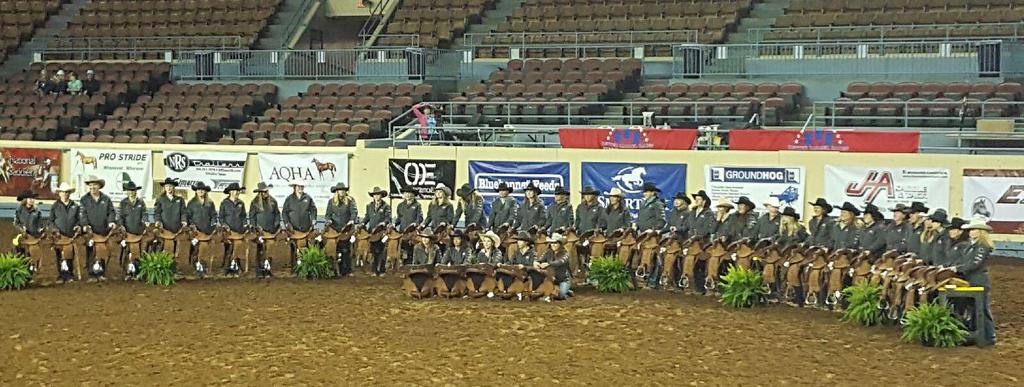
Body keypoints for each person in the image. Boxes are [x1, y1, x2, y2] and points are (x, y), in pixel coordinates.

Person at [953, 216, 997, 346]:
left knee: (982, 309)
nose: (971, 232)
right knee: (973, 308)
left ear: (981, 232)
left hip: (979, 281)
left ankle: (989, 336)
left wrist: (958, 269)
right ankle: (977, 334)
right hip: (970, 280)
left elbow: (974, 264)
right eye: (971, 230)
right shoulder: (970, 246)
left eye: (974, 230)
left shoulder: (983, 246)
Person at [325, 183, 358, 276]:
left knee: (346, 249)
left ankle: (347, 270)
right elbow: (328, 214)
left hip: (346, 229)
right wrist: (328, 220)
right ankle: (331, 268)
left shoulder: (350, 201)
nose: (342, 192)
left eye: (343, 190)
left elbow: (354, 212)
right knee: (330, 246)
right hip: (334, 228)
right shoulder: (331, 202)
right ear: (337, 191)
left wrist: (351, 220)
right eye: (340, 190)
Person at [50, 183, 80, 282]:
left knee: (69, 254)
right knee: (59, 255)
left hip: (70, 235)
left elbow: (78, 219)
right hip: (59, 236)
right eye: (63, 192)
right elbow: (51, 221)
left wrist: (78, 226)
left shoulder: (75, 206)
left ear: (69, 193)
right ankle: (61, 274)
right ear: (59, 193)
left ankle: (70, 274)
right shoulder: (55, 206)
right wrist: (54, 230)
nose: (65, 194)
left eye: (67, 192)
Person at [364, 186, 392, 276]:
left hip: (381, 232)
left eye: (378, 195)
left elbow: (388, 218)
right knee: (373, 251)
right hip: (372, 232)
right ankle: (374, 270)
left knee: (382, 251)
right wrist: (362, 223)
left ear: (381, 196)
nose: (376, 196)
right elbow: (367, 217)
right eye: (375, 195)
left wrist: (384, 223)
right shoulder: (369, 206)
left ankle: (382, 270)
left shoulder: (386, 206)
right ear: (373, 196)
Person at [536, 233, 571, 301]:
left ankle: (567, 292)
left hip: (563, 280)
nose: (553, 245)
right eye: (552, 243)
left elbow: (559, 262)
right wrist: (536, 262)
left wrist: (548, 264)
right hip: (550, 278)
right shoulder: (548, 252)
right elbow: (540, 259)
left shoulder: (565, 253)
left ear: (560, 244)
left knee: (561, 295)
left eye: (555, 243)